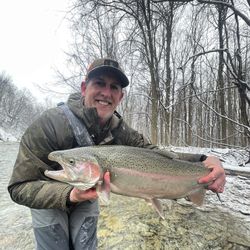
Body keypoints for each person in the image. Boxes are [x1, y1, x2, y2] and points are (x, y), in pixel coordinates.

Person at [8, 58, 226, 250]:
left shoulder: (121, 131)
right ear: (84, 88)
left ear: (121, 96)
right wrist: (69, 195)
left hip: (87, 193)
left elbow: (159, 156)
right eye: (99, 83)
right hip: (47, 198)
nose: (106, 92)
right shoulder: (49, 125)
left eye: (114, 87)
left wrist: (204, 161)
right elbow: (19, 186)